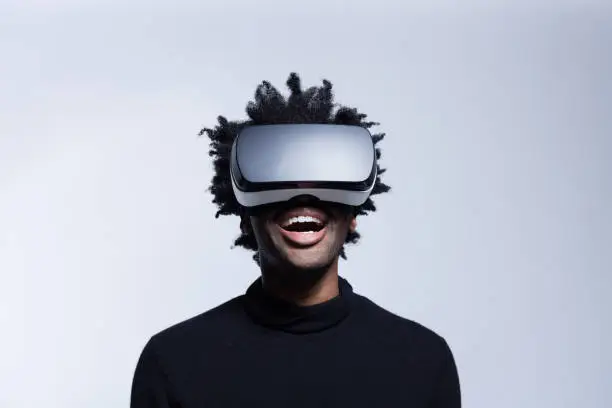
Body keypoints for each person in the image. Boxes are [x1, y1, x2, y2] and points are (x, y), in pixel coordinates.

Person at [130, 73, 461, 407]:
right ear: (245, 218)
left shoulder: (423, 361)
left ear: (354, 214)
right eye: (279, 182)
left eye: (325, 181)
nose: (303, 197)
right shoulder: (173, 362)